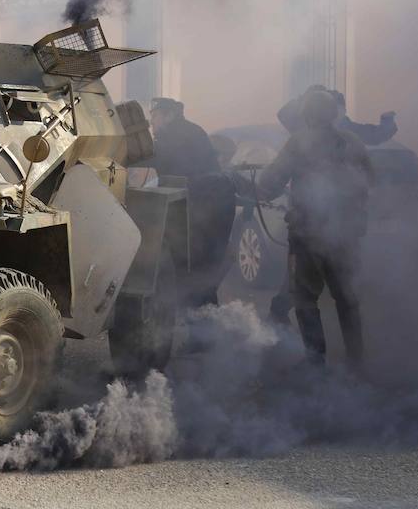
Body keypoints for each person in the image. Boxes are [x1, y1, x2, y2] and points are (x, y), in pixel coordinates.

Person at [249, 89, 374, 367]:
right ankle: (357, 360)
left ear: (306, 116)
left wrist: (254, 187)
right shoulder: (352, 141)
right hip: (347, 235)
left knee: (305, 299)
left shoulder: (299, 142)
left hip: (308, 236)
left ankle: (316, 363)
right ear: (332, 114)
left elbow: (271, 183)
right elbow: (369, 179)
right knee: (347, 298)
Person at [146, 98, 235, 315]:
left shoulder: (172, 135)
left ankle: (202, 330)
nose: (152, 123)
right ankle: (207, 327)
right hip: (219, 200)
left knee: (194, 266)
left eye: (155, 116)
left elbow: (147, 157)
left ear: (169, 115)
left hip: (205, 203)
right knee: (206, 267)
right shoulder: (192, 130)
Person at [278, 84, 397, 146]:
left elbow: (373, 136)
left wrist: (387, 121)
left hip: (338, 189)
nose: (341, 113)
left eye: (342, 109)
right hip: (308, 190)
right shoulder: (305, 129)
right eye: (338, 108)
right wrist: (305, 97)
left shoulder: (346, 129)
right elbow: (283, 114)